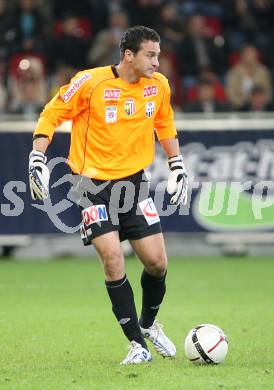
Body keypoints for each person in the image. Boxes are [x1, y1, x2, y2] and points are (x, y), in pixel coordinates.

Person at [28, 26, 188, 365]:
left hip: (133, 182)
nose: (157, 62)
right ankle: (137, 345)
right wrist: (37, 157)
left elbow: (165, 124)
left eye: (158, 55)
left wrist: (177, 166)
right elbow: (52, 113)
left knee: (157, 263)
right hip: (90, 185)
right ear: (128, 55)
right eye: (151, 55)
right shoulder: (89, 82)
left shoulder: (158, 86)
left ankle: (148, 325)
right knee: (113, 258)